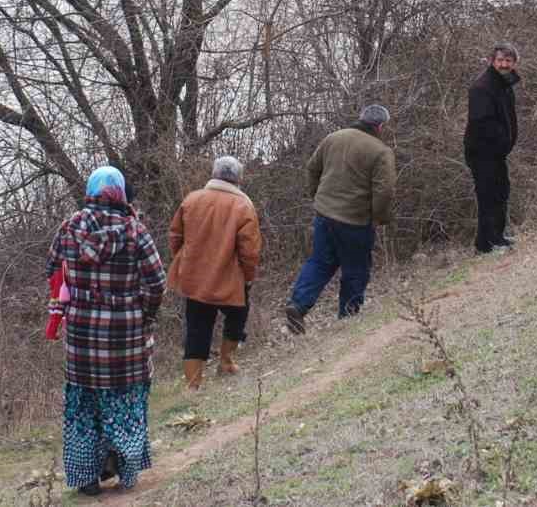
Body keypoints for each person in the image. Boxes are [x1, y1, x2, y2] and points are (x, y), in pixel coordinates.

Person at [47, 166, 166, 496]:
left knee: (84, 406)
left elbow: (52, 272)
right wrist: (145, 314)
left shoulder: (69, 228)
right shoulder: (135, 231)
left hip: (82, 341)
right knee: (124, 401)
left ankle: (87, 476)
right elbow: (157, 282)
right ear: (120, 193)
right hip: (126, 338)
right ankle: (123, 465)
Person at [283, 104, 396, 334]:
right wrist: (378, 218)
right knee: (356, 268)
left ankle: (298, 304)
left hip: (324, 214)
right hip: (355, 221)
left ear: (360, 119)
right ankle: (348, 317)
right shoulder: (381, 151)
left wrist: (316, 195)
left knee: (319, 262)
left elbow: (311, 168)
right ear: (380, 126)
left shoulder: (333, 138)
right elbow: (385, 191)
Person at [166, 155, 261, 390]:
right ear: (239, 178)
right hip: (230, 278)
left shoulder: (192, 199)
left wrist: (183, 261)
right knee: (238, 316)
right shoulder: (244, 206)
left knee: (197, 326)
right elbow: (249, 251)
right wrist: (248, 277)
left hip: (195, 277)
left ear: (214, 174)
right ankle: (226, 361)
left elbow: (175, 236)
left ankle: (193, 384)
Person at [463, 44, 521, 254]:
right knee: (489, 195)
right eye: (500, 60)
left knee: (501, 191)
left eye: (508, 60)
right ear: (492, 61)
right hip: (482, 151)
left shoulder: (504, 84)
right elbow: (482, 123)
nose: (504, 64)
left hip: (497, 153)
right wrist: (501, 142)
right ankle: (489, 243)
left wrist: (505, 144)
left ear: (514, 62)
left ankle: (494, 237)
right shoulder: (482, 87)